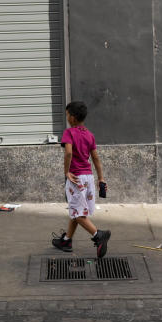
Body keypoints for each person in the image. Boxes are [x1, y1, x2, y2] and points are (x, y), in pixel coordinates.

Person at [52, 101, 111, 258]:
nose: (66, 118)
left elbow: (68, 153)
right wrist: (101, 178)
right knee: (76, 208)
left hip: (76, 177)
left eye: (67, 115)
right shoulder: (89, 135)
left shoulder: (69, 133)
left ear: (72, 117)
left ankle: (98, 235)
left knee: (77, 213)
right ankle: (66, 240)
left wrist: (67, 172)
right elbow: (96, 158)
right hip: (88, 177)